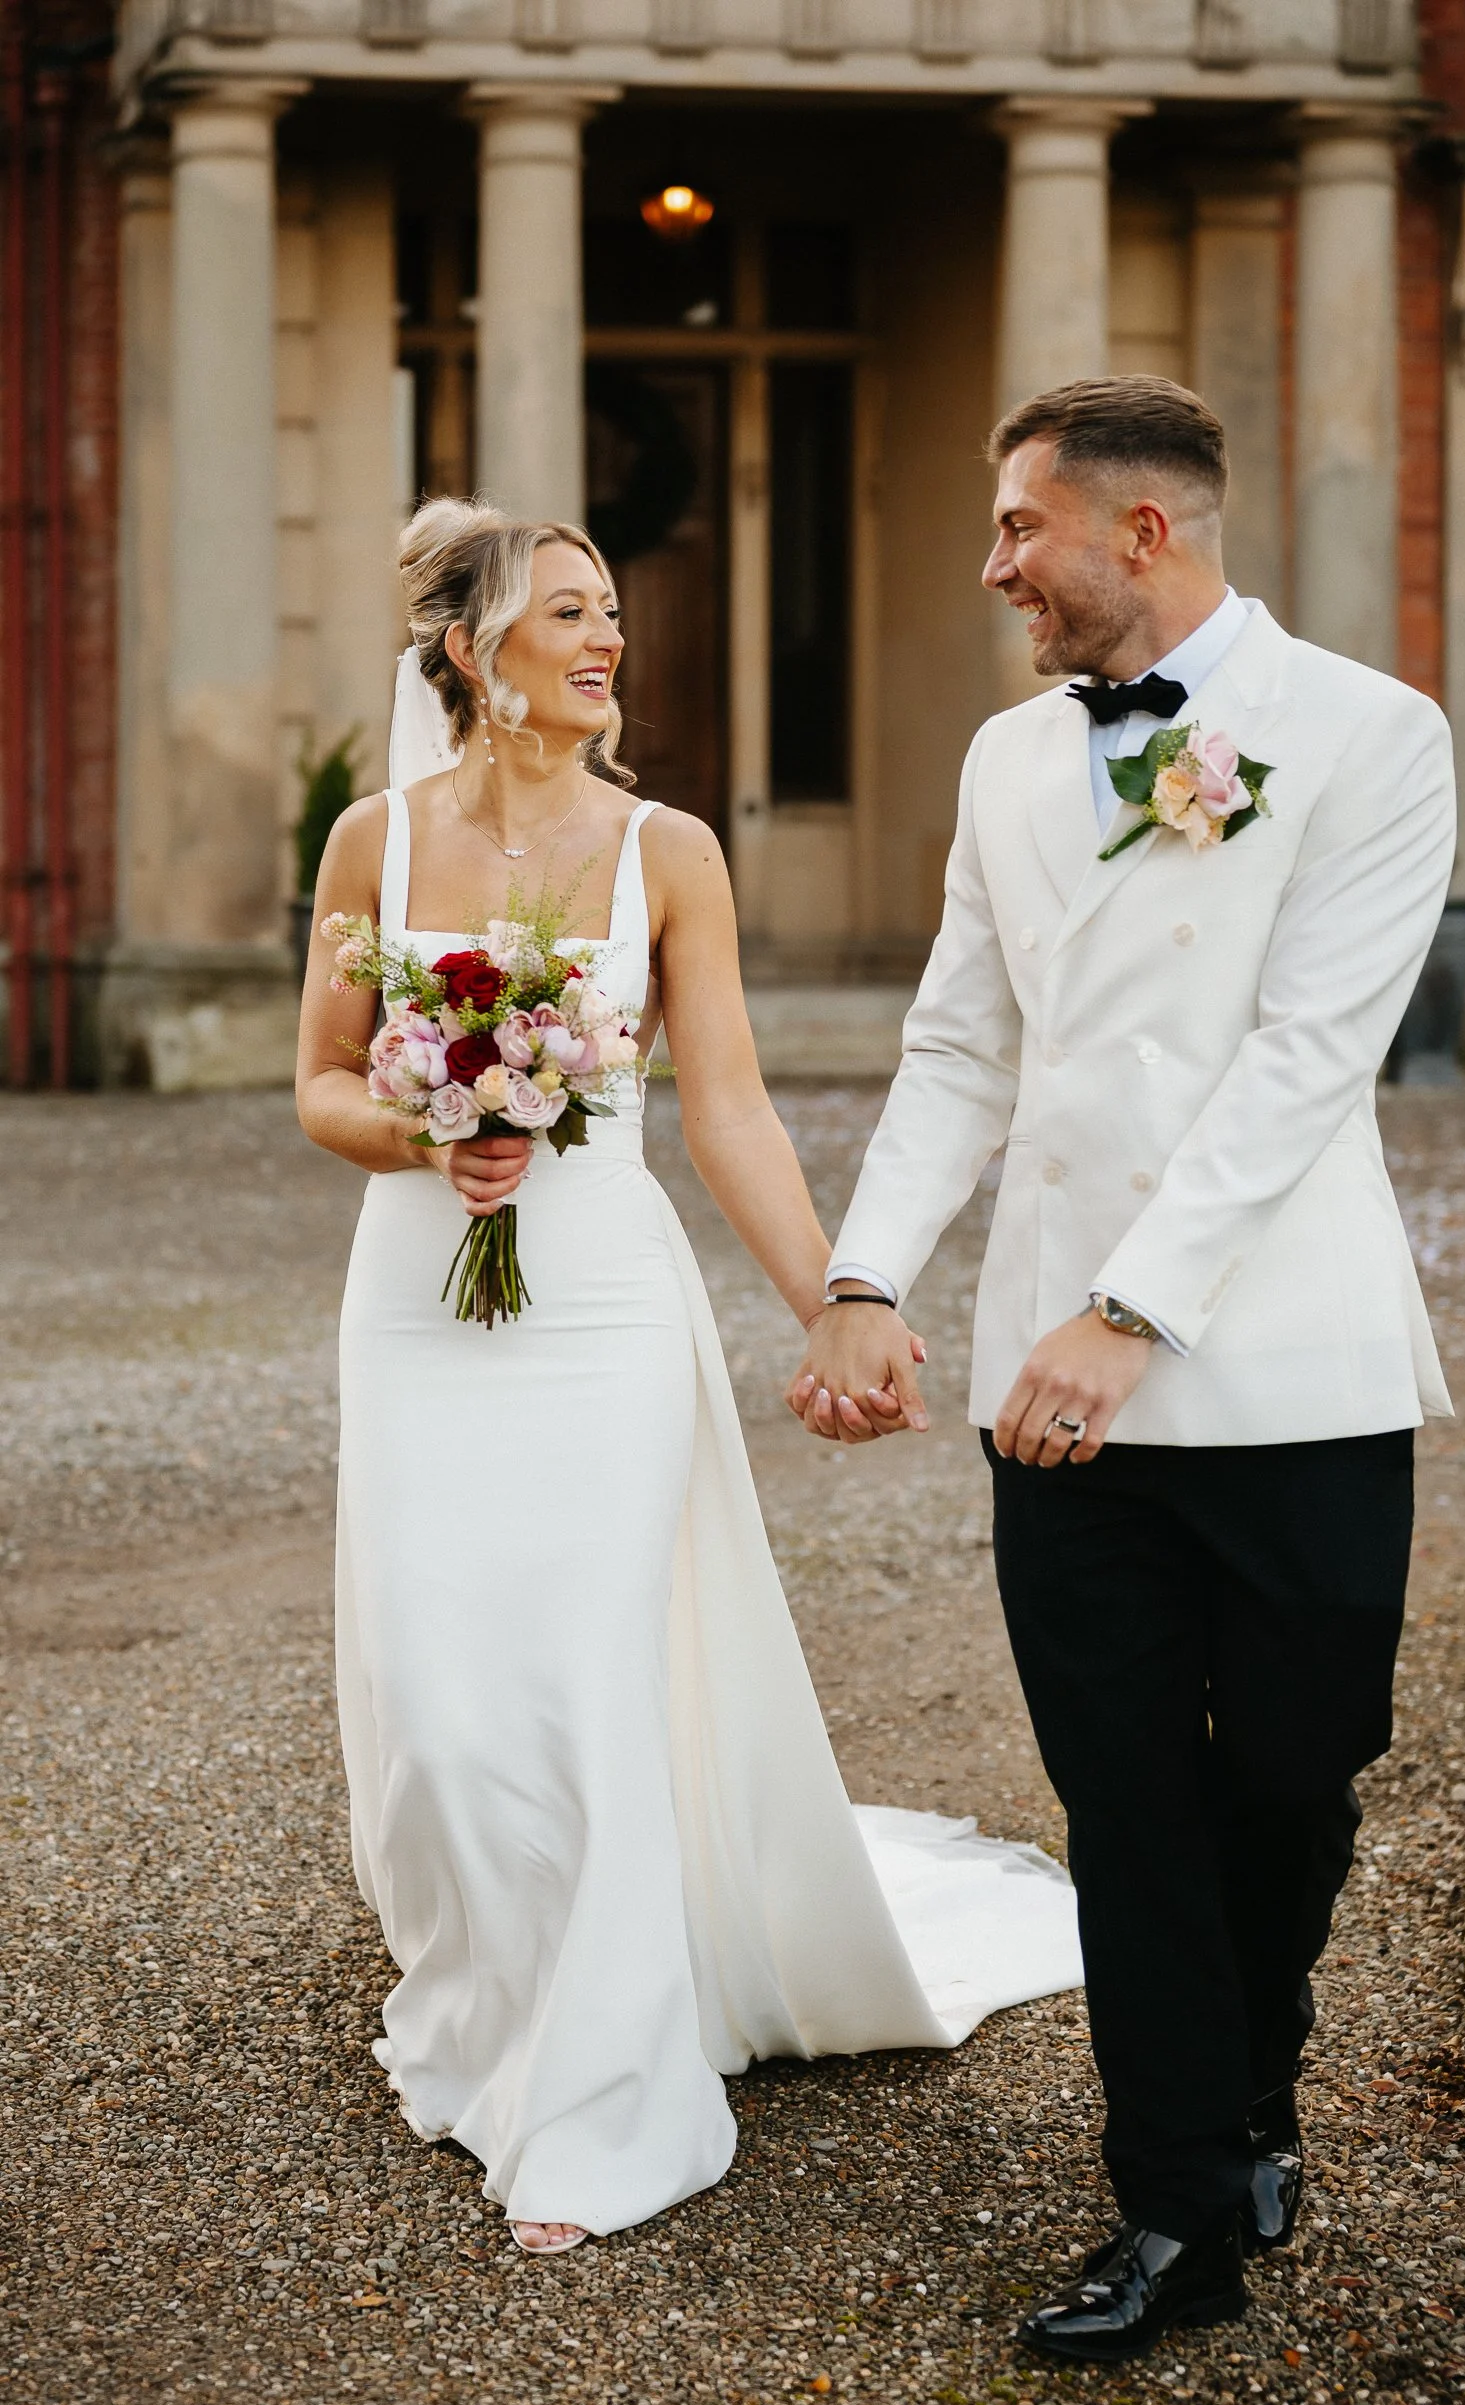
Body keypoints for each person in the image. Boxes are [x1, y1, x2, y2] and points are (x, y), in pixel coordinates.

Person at [294, 497, 1081, 2255]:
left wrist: (838, 1300)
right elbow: (323, 1086)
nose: (605, 641)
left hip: (599, 1311)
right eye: (566, 613)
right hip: (420, 1308)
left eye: (611, 617)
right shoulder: (376, 845)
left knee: (577, 1684)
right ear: (468, 652)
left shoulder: (670, 854)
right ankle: (491, 1996)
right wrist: (430, 1137)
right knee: (440, 1704)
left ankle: (595, 2093)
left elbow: (720, 1107)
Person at [792, 376, 1455, 2361]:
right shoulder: (1006, 762)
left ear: (1135, 532)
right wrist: (860, 1271)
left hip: (1292, 1377)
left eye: (1016, 530)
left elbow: (1303, 1058)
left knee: (1297, 1772)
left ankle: (1247, 2069)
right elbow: (957, 1050)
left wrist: (1127, 1306)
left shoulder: (1369, 733)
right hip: (1040, 1404)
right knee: (1122, 1806)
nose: (992, 566)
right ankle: (1176, 2193)